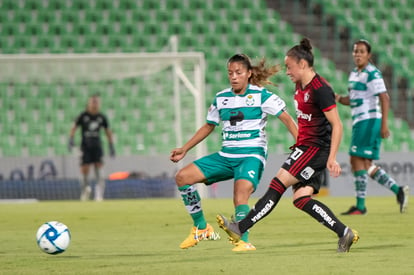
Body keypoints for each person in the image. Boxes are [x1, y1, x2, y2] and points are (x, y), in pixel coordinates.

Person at [217, 38, 359, 253]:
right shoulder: (300, 85)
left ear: (302, 64)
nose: (287, 72)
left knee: (277, 184)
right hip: (306, 147)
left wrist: (331, 158)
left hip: (315, 149)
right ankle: (344, 232)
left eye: (289, 67)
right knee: (301, 199)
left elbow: (337, 125)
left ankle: (240, 227)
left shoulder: (321, 89)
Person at [170, 53, 298, 252]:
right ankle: (201, 227)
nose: (234, 76)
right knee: (182, 177)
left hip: (251, 155)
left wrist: (301, 144)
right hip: (226, 156)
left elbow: (288, 119)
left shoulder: (261, 95)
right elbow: (209, 126)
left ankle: (243, 240)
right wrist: (185, 148)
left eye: (238, 72)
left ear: (248, 73)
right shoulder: (222, 98)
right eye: (230, 73)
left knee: (240, 195)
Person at [336, 39, 409, 215]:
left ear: (369, 55)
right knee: (363, 163)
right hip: (359, 121)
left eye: (361, 51)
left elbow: (385, 98)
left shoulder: (372, 73)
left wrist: (384, 124)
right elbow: (352, 100)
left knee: (356, 159)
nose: (358, 54)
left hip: (369, 121)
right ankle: (397, 190)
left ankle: (361, 206)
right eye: (355, 51)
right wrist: (338, 98)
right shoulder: (354, 73)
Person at [68, 94, 115, 201]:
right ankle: (85, 190)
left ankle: (99, 192)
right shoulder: (83, 116)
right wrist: (70, 139)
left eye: (96, 102)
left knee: (98, 167)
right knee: (85, 169)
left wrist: (111, 145)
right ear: (89, 103)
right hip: (85, 146)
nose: (95, 104)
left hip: (97, 146)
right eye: (93, 102)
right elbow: (74, 127)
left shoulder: (101, 117)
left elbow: (108, 132)